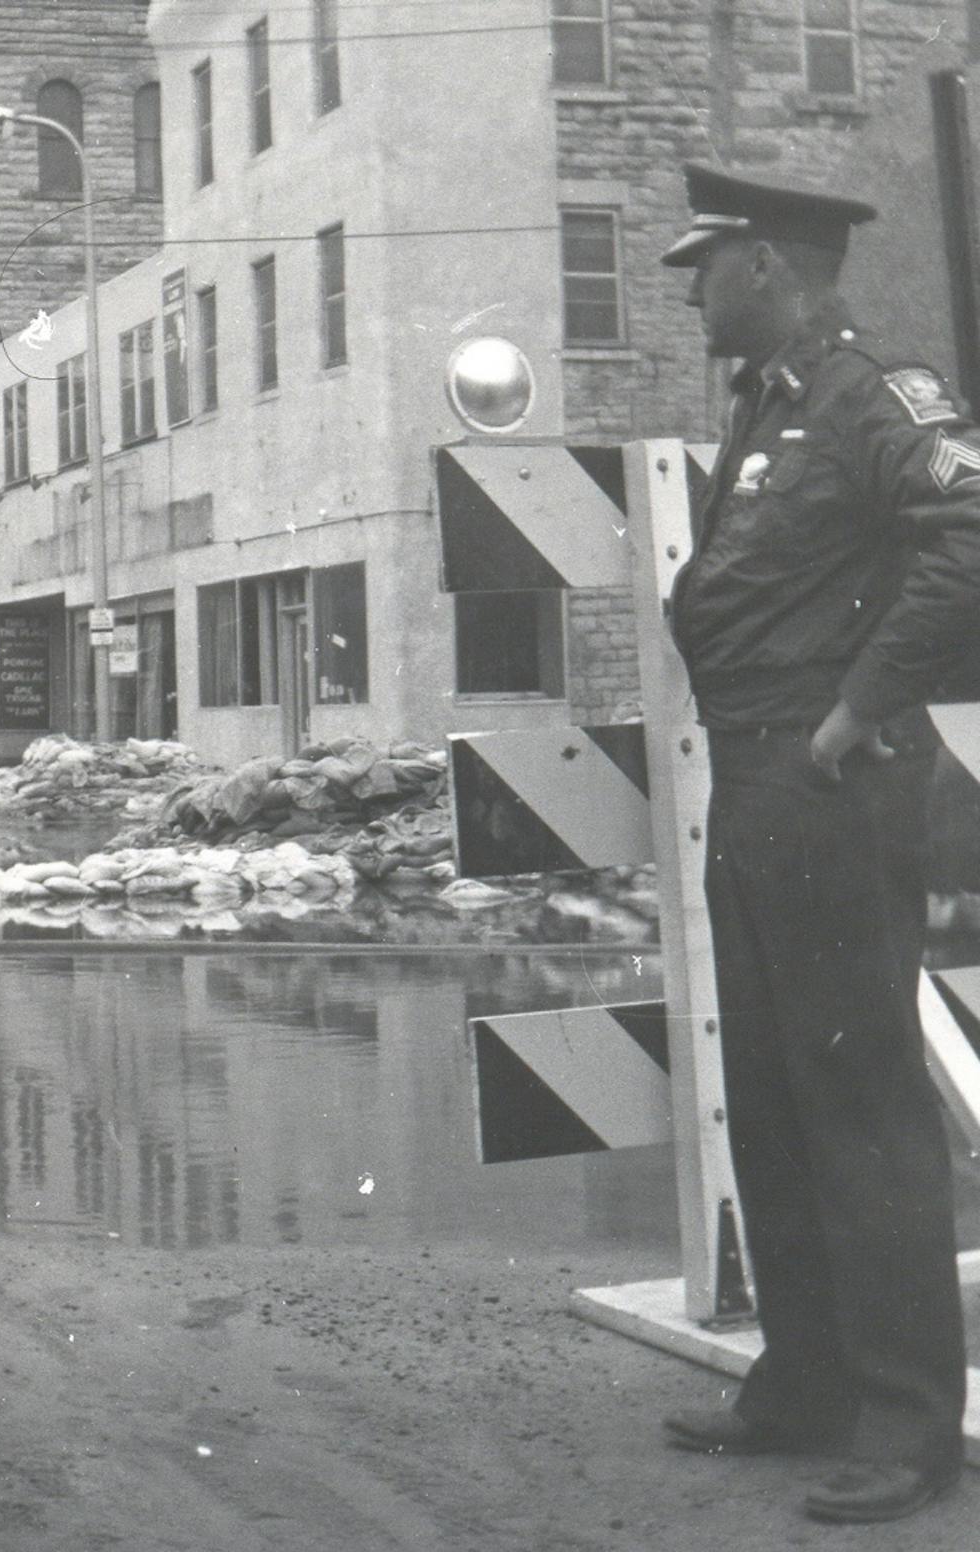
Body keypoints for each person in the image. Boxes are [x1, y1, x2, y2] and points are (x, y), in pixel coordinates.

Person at [657, 161, 980, 1523]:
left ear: (768, 267)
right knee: (782, 1099)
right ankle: (805, 1383)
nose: (696, 289)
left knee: (861, 1108)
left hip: (830, 782)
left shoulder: (874, 395)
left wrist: (858, 711)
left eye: (708, 265)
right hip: (760, 780)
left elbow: (967, 537)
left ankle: (910, 1428)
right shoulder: (774, 402)